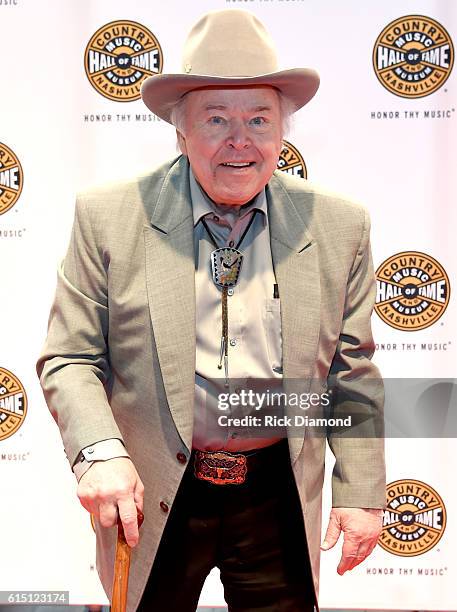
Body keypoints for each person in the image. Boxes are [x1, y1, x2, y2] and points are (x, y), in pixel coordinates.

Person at [37, 9, 386, 612]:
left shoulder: (339, 224)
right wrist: (100, 452)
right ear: (180, 130)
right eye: (216, 119)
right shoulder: (108, 216)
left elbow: (351, 369)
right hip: (153, 491)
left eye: (259, 119)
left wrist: (361, 489)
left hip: (278, 491)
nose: (239, 140)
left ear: (283, 131)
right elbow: (69, 356)